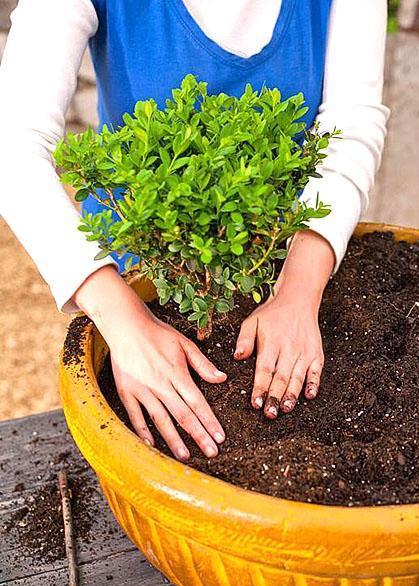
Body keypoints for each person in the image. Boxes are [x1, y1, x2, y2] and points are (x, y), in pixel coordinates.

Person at [0, 0, 389, 461]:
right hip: (141, 272)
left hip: (276, 256)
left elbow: (352, 121)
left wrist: (298, 293)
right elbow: (14, 143)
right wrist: (126, 324)